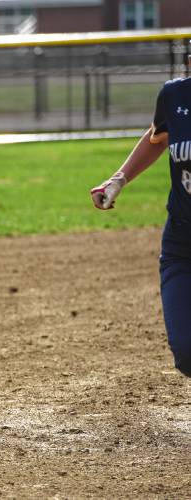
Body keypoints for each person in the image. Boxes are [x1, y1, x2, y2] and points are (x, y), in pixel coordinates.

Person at [90, 72, 191, 379]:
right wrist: (118, 179)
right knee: (187, 352)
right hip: (182, 241)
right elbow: (157, 138)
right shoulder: (175, 96)